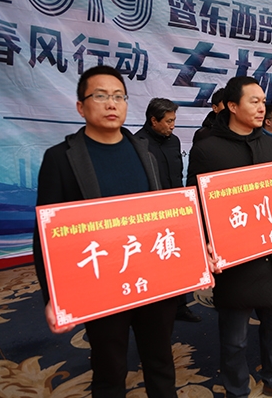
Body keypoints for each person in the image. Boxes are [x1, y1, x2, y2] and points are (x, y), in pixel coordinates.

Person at [33, 65, 179, 397]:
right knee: (109, 369)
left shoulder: (144, 151)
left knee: (160, 361)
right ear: (81, 107)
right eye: (100, 96)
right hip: (100, 283)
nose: (111, 104)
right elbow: (45, 235)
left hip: (151, 278)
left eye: (118, 97)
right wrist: (54, 296)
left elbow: (165, 215)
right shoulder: (61, 158)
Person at [186, 76, 272, 398]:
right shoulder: (207, 149)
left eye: (263, 101)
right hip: (235, 257)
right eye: (254, 101)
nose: (261, 108)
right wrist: (206, 243)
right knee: (235, 337)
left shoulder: (268, 143)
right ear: (231, 105)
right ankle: (237, 390)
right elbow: (195, 202)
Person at [135, 98, 202, 323]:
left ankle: (180, 306)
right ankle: (156, 308)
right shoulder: (138, 144)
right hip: (151, 215)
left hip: (176, 211)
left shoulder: (174, 141)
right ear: (153, 120)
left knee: (177, 258)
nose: (172, 125)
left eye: (174, 120)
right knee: (155, 262)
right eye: (168, 121)